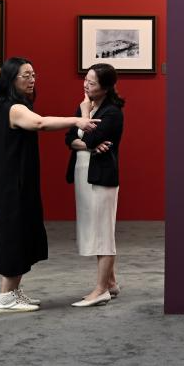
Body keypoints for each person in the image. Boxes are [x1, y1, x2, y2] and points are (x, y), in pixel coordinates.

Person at [0, 57, 99, 313]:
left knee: (24, 232)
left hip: (19, 180)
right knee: (15, 234)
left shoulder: (16, 104)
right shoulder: (13, 108)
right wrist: (76, 121)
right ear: (11, 79)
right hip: (12, 184)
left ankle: (13, 291)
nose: (31, 80)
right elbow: (40, 123)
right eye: (25, 75)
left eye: (33, 75)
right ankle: (6, 297)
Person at [65, 64, 125, 308]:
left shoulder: (112, 112)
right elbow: (69, 139)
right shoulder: (89, 106)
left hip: (101, 176)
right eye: (85, 80)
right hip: (83, 174)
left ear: (106, 87)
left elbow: (88, 137)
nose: (85, 85)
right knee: (94, 228)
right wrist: (88, 144)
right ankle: (110, 282)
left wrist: (83, 116)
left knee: (103, 233)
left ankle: (101, 290)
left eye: (91, 83)